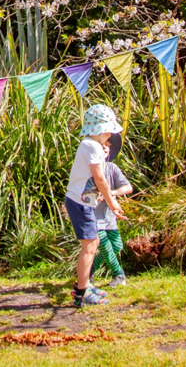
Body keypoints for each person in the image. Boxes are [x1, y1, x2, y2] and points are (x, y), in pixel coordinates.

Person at [64, 104, 126, 307]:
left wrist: (111, 200)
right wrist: (112, 201)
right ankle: (82, 292)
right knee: (89, 246)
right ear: (99, 129)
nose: (109, 136)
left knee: (94, 242)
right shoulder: (90, 146)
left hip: (84, 202)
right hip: (79, 203)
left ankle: (84, 285)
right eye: (108, 131)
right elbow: (99, 178)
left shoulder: (93, 146)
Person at [91, 133, 133, 288]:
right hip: (94, 215)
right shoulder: (90, 169)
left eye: (107, 146)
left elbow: (128, 187)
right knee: (103, 243)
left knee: (116, 246)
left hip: (109, 216)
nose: (105, 148)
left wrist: (111, 194)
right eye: (102, 145)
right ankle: (118, 274)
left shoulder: (112, 168)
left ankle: (89, 270)